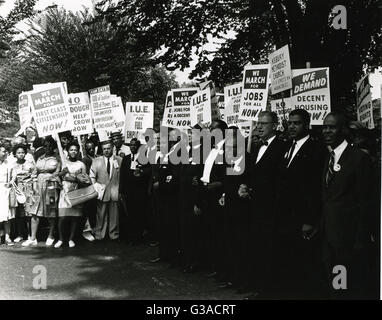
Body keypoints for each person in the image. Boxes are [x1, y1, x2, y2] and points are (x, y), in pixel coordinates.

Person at [321, 112, 375, 299]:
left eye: (332, 127)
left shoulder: (358, 158)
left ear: (343, 130)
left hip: (349, 237)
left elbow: (366, 201)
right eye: (325, 127)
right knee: (336, 280)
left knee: (348, 283)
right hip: (330, 235)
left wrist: (360, 238)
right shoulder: (329, 157)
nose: (327, 131)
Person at [273, 109, 326, 298]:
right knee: (287, 258)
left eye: (297, 123)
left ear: (307, 124)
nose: (292, 126)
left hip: (302, 216)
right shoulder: (288, 146)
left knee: (304, 261)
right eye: (290, 123)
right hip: (284, 215)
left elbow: (314, 188)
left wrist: (310, 219)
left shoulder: (316, 149)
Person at [238, 111, 287, 299]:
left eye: (263, 124)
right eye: (257, 123)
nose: (258, 127)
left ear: (274, 125)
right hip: (255, 207)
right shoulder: (257, 147)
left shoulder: (282, 146)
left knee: (268, 249)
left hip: (270, 209)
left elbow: (277, 179)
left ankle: (267, 290)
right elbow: (254, 174)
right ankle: (258, 286)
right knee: (257, 247)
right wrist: (246, 186)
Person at [196, 120, 228, 278]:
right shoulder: (211, 149)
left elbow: (227, 177)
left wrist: (215, 185)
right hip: (207, 195)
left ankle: (221, 268)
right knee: (209, 232)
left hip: (218, 197)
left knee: (219, 234)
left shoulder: (228, 149)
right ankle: (212, 264)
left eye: (213, 130)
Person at [22, 136, 61, 247]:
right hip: (38, 186)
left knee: (51, 211)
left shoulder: (57, 159)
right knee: (35, 211)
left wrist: (53, 177)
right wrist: (34, 184)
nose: (47, 148)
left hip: (51, 186)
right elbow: (34, 172)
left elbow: (59, 173)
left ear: (53, 147)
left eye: (49, 146)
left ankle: (51, 235)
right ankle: (33, 237)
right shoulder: (40, 158)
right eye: (45, 146)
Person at [55, 141, 88, 248]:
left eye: (75, 150)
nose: (73, 152)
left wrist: (76, 178)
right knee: (62, 217)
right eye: (71, 150)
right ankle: (60, 239)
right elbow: (56, 176)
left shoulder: (81, 164)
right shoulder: (63, 163)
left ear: (78, 151)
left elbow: (86, 180)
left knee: (75, 217)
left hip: (76, 191)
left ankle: (71, 239)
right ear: (67, 151)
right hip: (64, 192)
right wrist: (62, 173)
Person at [119, 138, 151, 244]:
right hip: (128, 192)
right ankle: (131, 236)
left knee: (139, 214)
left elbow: (149, 170)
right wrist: (121, 191)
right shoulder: (127, 159)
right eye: (131, 145)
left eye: (134, 145)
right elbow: (122, 176)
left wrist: (141, 172)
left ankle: (138, 236)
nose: (132, 147)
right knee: (130, 214)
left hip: (140, 191)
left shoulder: (144, 158)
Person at [89, 140, 122, 241]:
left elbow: (123, 176)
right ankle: (100, 234)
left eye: (108, 148)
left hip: (115, 191)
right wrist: (96, 188)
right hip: (101, 192)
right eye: (104, 149)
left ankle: (114, 234)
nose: (106, 151)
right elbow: (92, 176)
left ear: (113, 148)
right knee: (101, 214)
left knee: (114, 215)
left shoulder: (120, 160)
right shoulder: (96, 160)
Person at [10, 143, 35, 243]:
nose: (21, 154)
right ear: (15, 154)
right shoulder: (12, 166)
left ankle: (30, 234)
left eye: (23, 152)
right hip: (17, 190)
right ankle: (20, 234)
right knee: (19, 214)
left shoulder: (30, 164)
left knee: (28, 213)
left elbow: (34, 177)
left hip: (28, 189)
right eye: (18, 153)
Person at [0, 144, 14, 245]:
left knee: (7, 214)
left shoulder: (8, 164)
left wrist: (11, 182)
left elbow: (14, 176)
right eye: (2, 151)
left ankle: (7, 237)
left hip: (5, 190)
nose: (4, 153)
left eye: (5, 151)